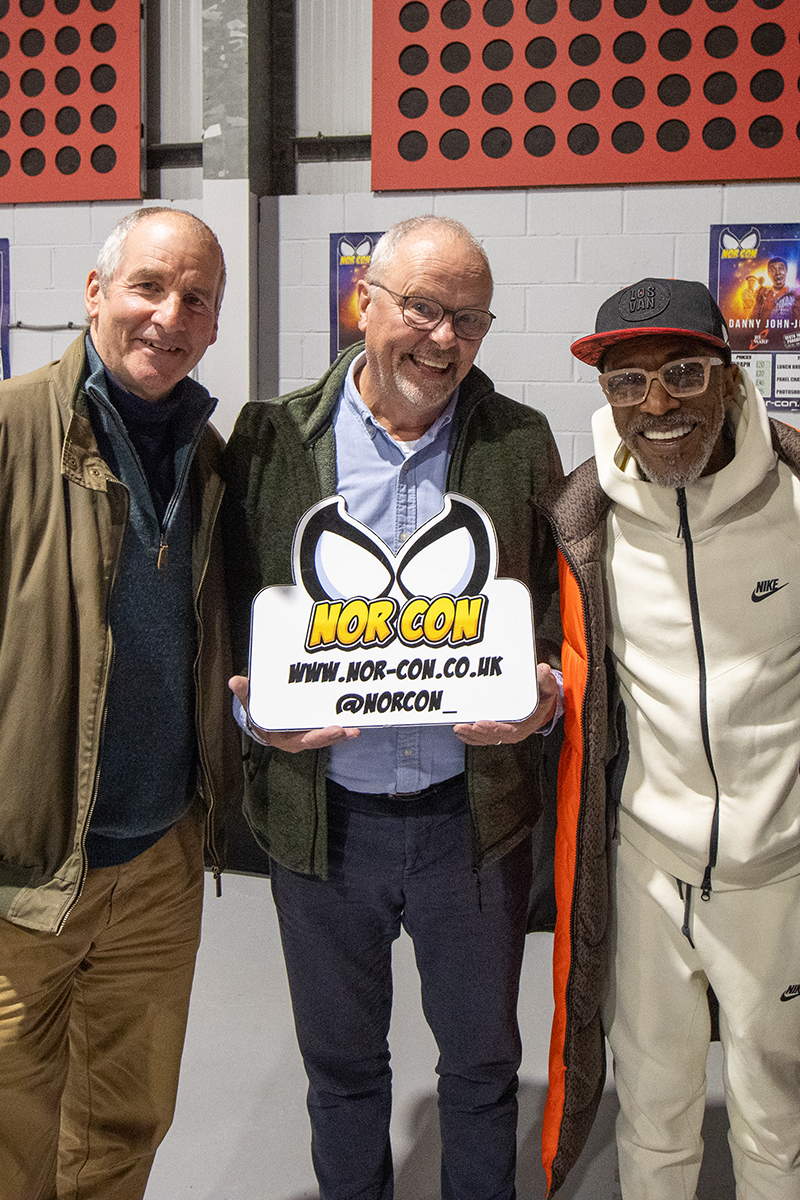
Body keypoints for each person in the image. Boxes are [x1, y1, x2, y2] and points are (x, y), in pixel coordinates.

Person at [223, 214, 563, 1200]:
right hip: (323, 820)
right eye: (421, 307)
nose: (443, 338)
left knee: (482, 1069)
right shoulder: (271, 438)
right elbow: (234, 616)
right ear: (364, 301)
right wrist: (253, 712)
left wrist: (542, 693)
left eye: (469, 318)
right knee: (341, 1071)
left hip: (473, 820)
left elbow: (551, 616)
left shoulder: (519, 442)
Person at [539, 277, 800, 1199]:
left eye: (683, 372)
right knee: (652, 1115)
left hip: (780, 877)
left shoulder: (797, 497)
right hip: (646, 873)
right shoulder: (582, 519)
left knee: (779, 1123)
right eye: (627, 382)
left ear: (729, 375)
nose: (656, 406)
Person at [0, 206, 241, 1200]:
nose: (169, 316)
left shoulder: (210, 458)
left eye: (197, 299)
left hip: (157, 866)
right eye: (148, 286)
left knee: (121, 1129)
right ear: (96, 292)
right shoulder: (13, 429)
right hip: (22, 874)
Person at [749, 256, 800, 348]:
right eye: (773, 270)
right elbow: (753, 320)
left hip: (788, 345)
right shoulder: (762, 295)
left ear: (786, 271)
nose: (777, 273)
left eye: (781, 269)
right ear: (768, 273)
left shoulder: (795, 295)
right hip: (765, 344)